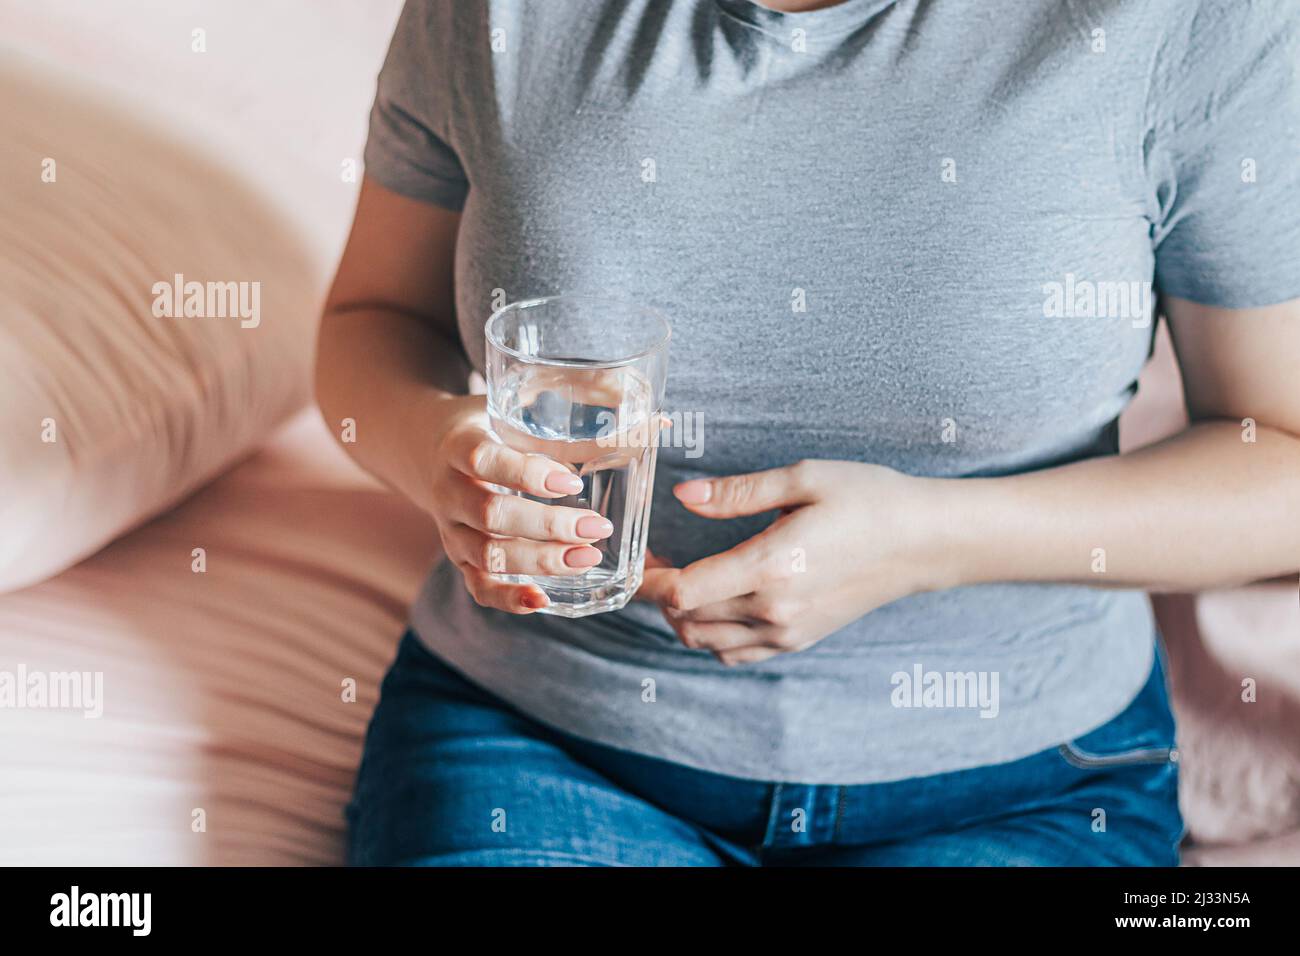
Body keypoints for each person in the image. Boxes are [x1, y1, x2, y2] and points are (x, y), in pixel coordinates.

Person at [317, 0, 1300, 866]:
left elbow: (1282, 457)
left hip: (1025, 781)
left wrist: (931, 541)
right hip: (542, 740)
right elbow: (372, 322)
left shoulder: (1194, 19)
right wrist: (440, 451)